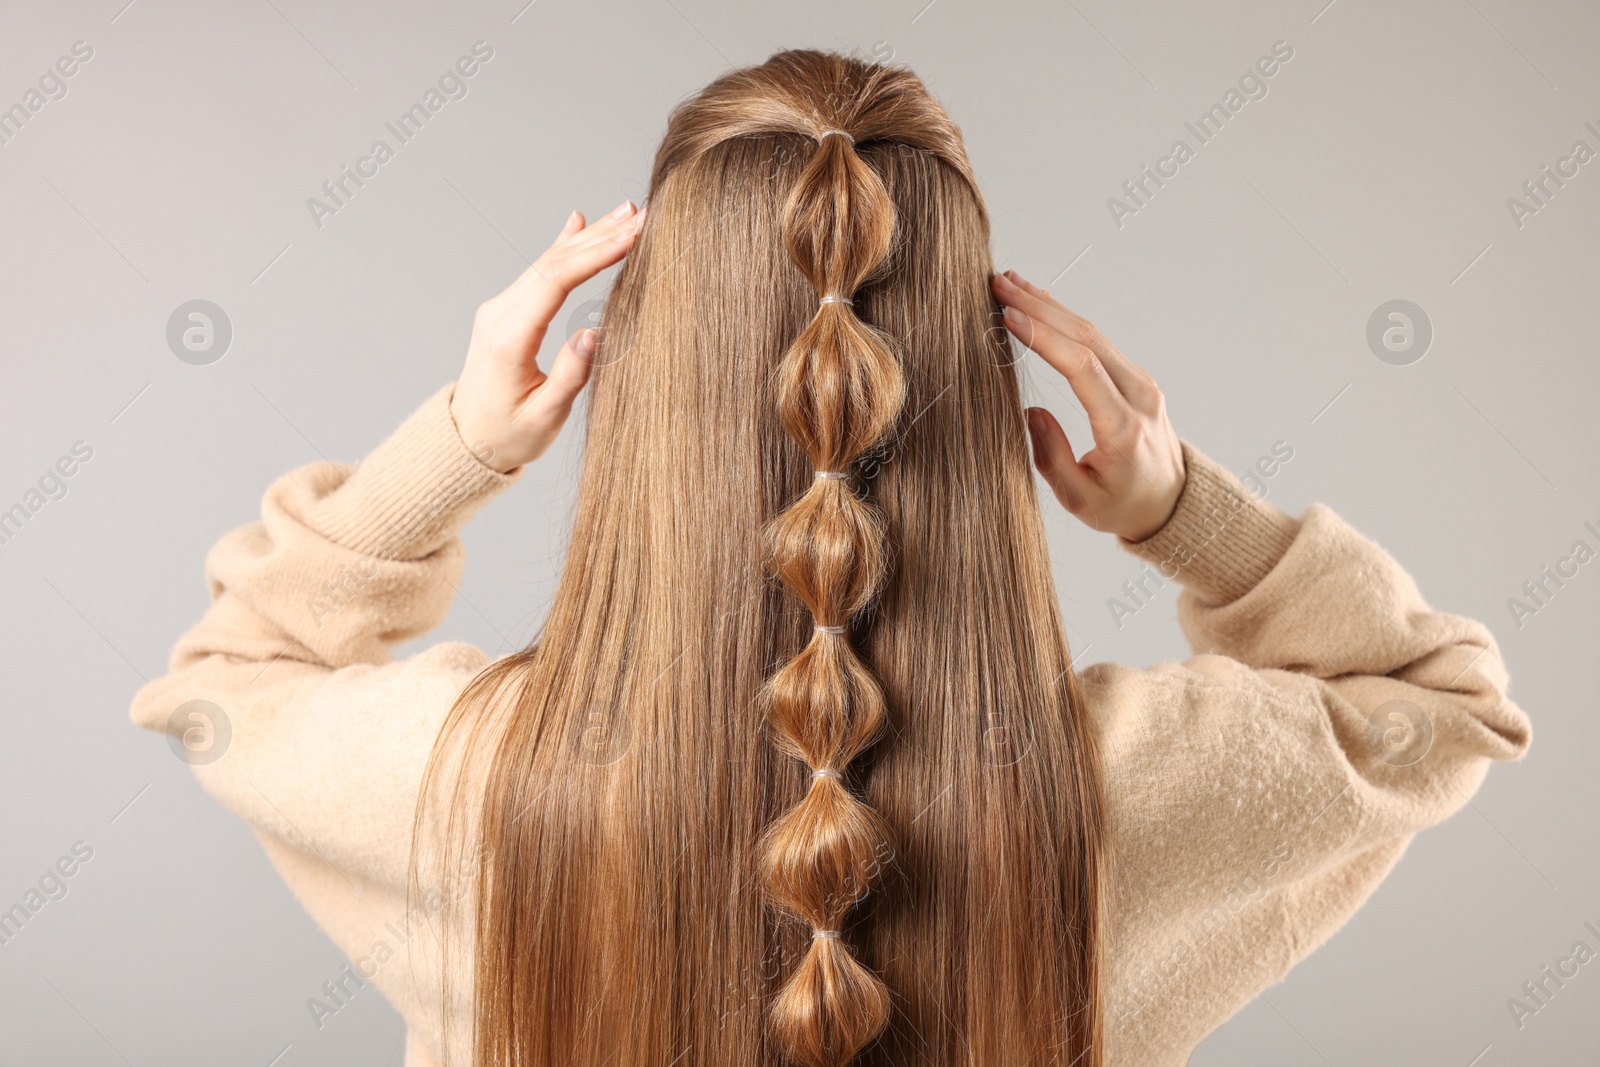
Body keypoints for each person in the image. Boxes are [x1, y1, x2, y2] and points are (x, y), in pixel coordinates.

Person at [130, 49, 1531, 1067]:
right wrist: (1181, 509)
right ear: (974, 374)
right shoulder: (1116, 793)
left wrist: (459, 442)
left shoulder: (473, 784)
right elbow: (1448, 707)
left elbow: (228, 678)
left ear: (641, 376)